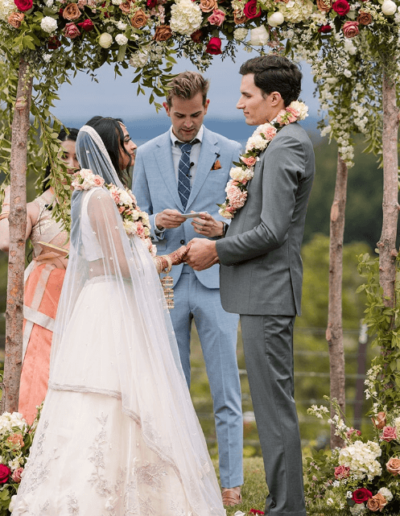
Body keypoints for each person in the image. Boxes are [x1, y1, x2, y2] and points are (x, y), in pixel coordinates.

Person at [11, 119, 226, 516]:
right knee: (106, 395)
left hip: (111, 303)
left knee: (133, 394)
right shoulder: (99, 199)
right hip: (108, 308)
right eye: (127, 140)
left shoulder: (105, 195)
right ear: (113, 148)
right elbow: (119, 267)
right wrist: (171, 258)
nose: (133, 146)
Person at [186, 55, 315, 516]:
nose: (239, 104)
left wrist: (216, 252)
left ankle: (287, 509)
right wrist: (224, 230)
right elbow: (260, 221)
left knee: (273, 410)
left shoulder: (286, 147)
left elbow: (274, 232)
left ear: (274, 99)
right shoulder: (278, 140)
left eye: (246, 95)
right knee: (269, 405)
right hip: (262, 292)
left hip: (269, 293)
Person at [133, 71, 244, 506]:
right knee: (170, 388)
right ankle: (177, 478)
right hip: (166, 284)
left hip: (216, 282)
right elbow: (133, 219)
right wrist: (153, 223)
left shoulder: (231, 152)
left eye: (195, 114)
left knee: (225, 387)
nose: (188, 123)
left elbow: (245, 218)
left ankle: (231, 483)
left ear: (206, 106)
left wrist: (223, 227)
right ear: (166, 109)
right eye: (180, 115)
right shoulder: (146, 154)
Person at [0, 128, 79, 425]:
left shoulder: (95, 205)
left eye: (77, 158)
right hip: (42, 306)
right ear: (52, 160)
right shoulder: (38, 207)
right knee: (40, 376)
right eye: (63, 157)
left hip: (82, 302)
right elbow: (5, 241)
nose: (70, 165)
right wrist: (8, 202)